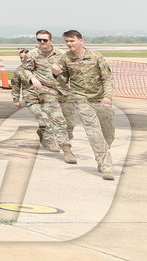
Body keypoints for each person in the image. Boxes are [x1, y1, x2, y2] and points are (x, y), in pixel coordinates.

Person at [54, 29, 116, 181]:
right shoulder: (65, 58)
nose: (69, 44)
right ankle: (106, 165)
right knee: (94, 133)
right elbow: (62, 81)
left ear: (81, 41)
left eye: (72, 41)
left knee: (109, 134)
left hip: (101, 99)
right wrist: (56, 74)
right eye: (67, 41)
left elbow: (107, 78)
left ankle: (101, 156)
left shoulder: (95, 56)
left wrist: (108, 96)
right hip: (81, 100)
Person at [24, 29, 73, 162]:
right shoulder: (32, 54)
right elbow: (26, 69)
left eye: (44, 40)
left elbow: (70, 72)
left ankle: (45, 134)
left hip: (63, 91)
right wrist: (32, 78)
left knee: (69, 123)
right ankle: (67, 150)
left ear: (51, 40)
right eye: (39, 40)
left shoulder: (62, 54)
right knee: (59, 120)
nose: (42, 42)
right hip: (46, 90)